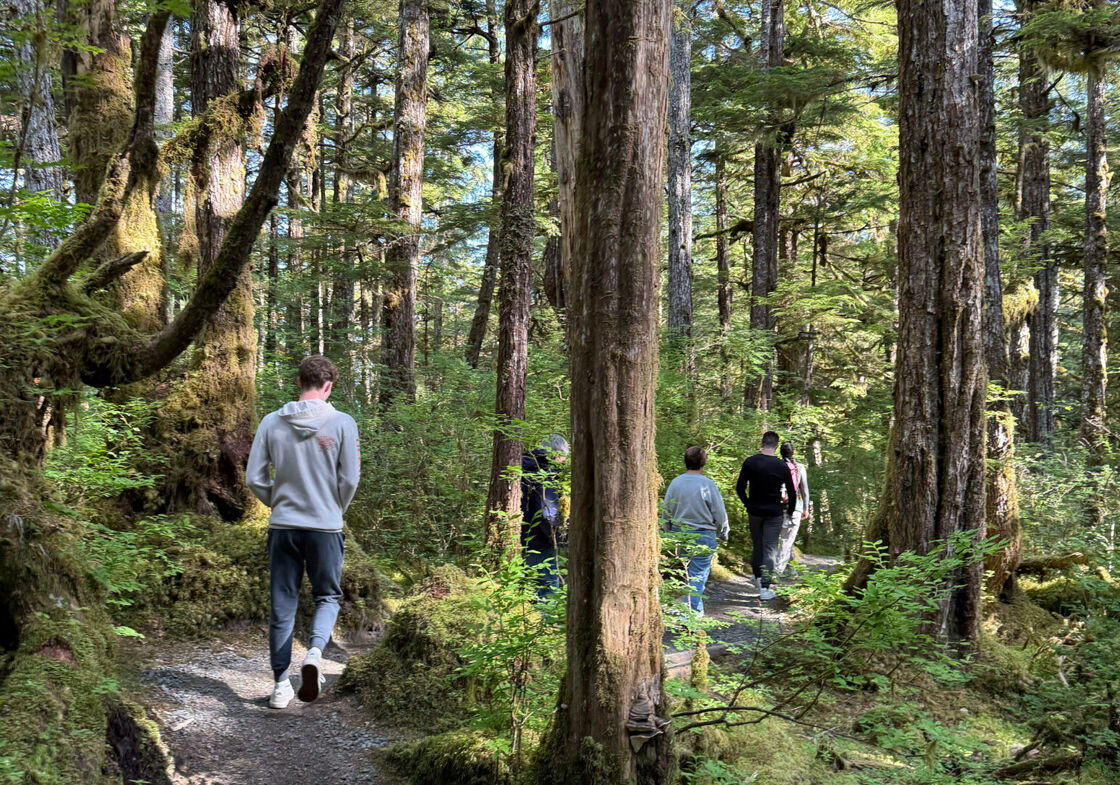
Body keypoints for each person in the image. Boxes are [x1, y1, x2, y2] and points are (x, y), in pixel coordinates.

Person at [246, 355, 361, 709]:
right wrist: (334, 508)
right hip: (325, 526)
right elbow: (351, 479)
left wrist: (276, 502)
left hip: (283, 526)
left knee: (283, 602)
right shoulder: (343, 423)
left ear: (299, 383)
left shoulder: (271, 422)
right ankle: (313, 653)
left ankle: (281, 685)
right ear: (328, 386)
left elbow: (254, 478)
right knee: (327, 596)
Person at [662, 446, 729, 616]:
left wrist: (668, 530)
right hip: (703, 534)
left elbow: (666, 509)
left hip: (680, 533)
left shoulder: (676, 482)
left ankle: (695, 611)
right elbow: (719, 512)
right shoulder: (707, 483)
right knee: (697, 574)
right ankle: (689, 615)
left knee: (689, 572)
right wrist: (723, 530)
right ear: (703, 464)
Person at [735, 431, 797, 601]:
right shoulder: (781, 466)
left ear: (762, 443)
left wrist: (748, 504)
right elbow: (792, 492)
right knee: (770, 548)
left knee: (757, 544)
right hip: (774, 513)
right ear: (776, 447)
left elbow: (740, 488)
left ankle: (756, 576)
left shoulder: (750, 462)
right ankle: (765, 588)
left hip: (754, 511)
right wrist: (790, 511)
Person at [520, 434, 569, 599]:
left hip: (519, 537)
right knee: (546, 588)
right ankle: (546, 623)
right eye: (564, 457)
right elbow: (548, 514)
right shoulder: (547, 473)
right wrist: (558, 538)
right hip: (539, 540)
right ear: (557, 454)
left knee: (527, 589)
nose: (564, 461)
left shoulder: (523, 466)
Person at [776, 442, 810, 576]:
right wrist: (806, 508)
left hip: (776, 508)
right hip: (794, 508)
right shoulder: (799, 467)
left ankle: (791, 570)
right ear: (793, 453)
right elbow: (804, 490)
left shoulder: (775, 466)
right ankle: (777, 572)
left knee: (786, 539)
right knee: (786, 540)